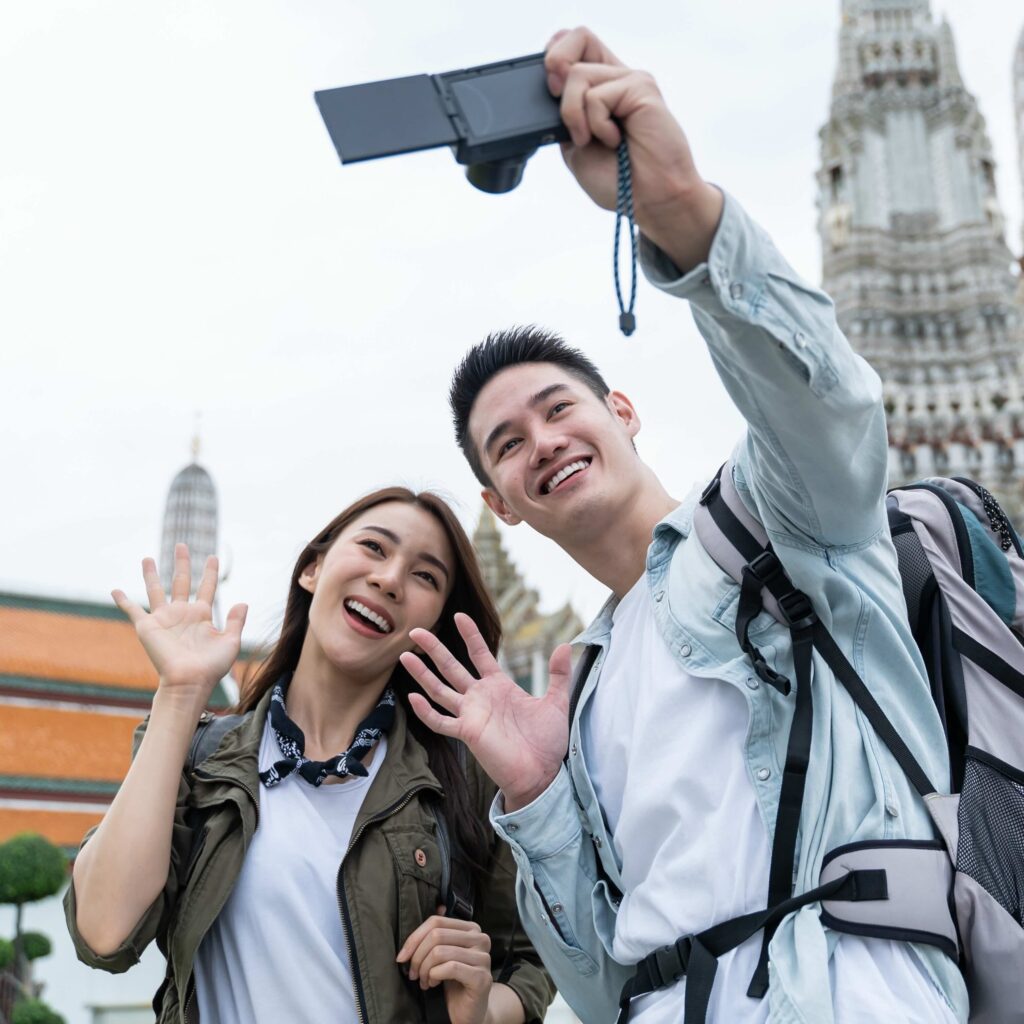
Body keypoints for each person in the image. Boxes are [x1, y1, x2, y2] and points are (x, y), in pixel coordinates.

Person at [398, 27, 968, 1024]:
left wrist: (676, 213)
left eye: (557, 406)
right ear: (502, 503)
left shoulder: (781, 521)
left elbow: (825, 407)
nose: (540, 440)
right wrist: (538, 800)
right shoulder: (584, 686)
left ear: (621, 411)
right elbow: (601, 980)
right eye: (506, 444)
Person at [64, 487, 555, 1024]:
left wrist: (482, 1012)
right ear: (313, 569)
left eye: (425, 577)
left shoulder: (465, 776)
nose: (389, 579)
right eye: (373, 547)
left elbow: (533, 963)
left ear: (432, 627)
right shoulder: (196, 753)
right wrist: (179, 694)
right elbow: (103, 932)